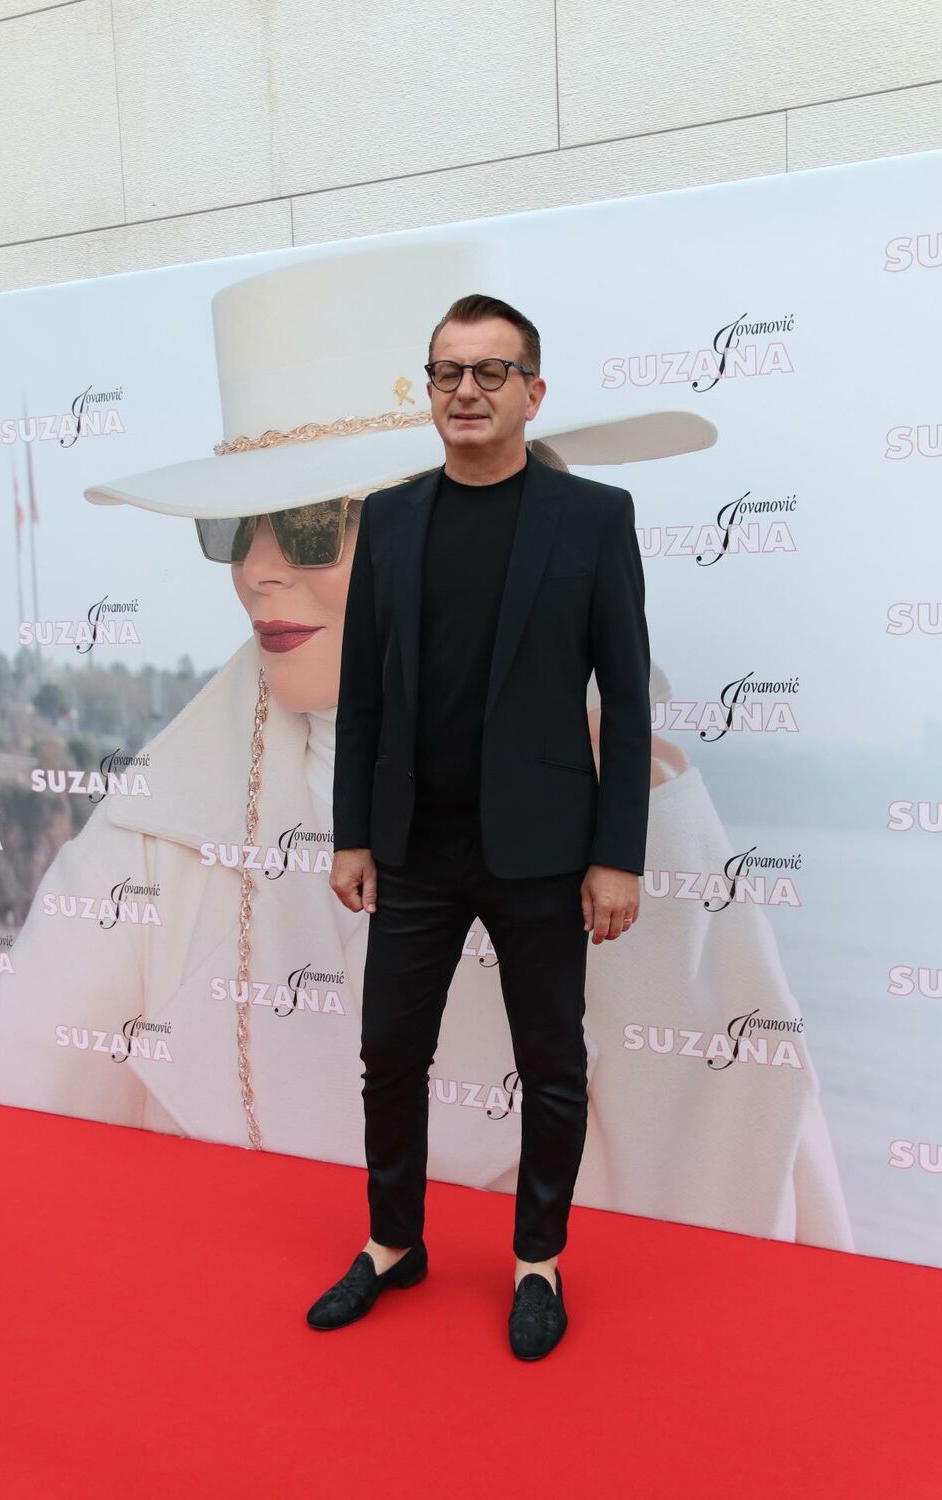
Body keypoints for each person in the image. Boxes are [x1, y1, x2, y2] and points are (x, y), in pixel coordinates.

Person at [0, 238, 849, 1306]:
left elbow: (737, 1191)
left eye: (310, 524)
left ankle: (534, 1271)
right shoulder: (162, 821)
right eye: (234, 526)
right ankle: (391, 1248)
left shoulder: (630, 776)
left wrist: (631, 838)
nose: (257, 569)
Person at [307, 292, 652, 1361]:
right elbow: (363, 694)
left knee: (550, 1064)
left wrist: (616, 856)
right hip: (413, 845)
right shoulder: (390, 518)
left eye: (490, 372)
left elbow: (626, 697)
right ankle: (393, 1243)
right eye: (448, 371)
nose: (466, 390)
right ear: (429, 390)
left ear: (532, 393)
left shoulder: (593, 518)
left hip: (543, 850)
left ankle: (537, 1261)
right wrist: (351, 834)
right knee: (387, 1055)